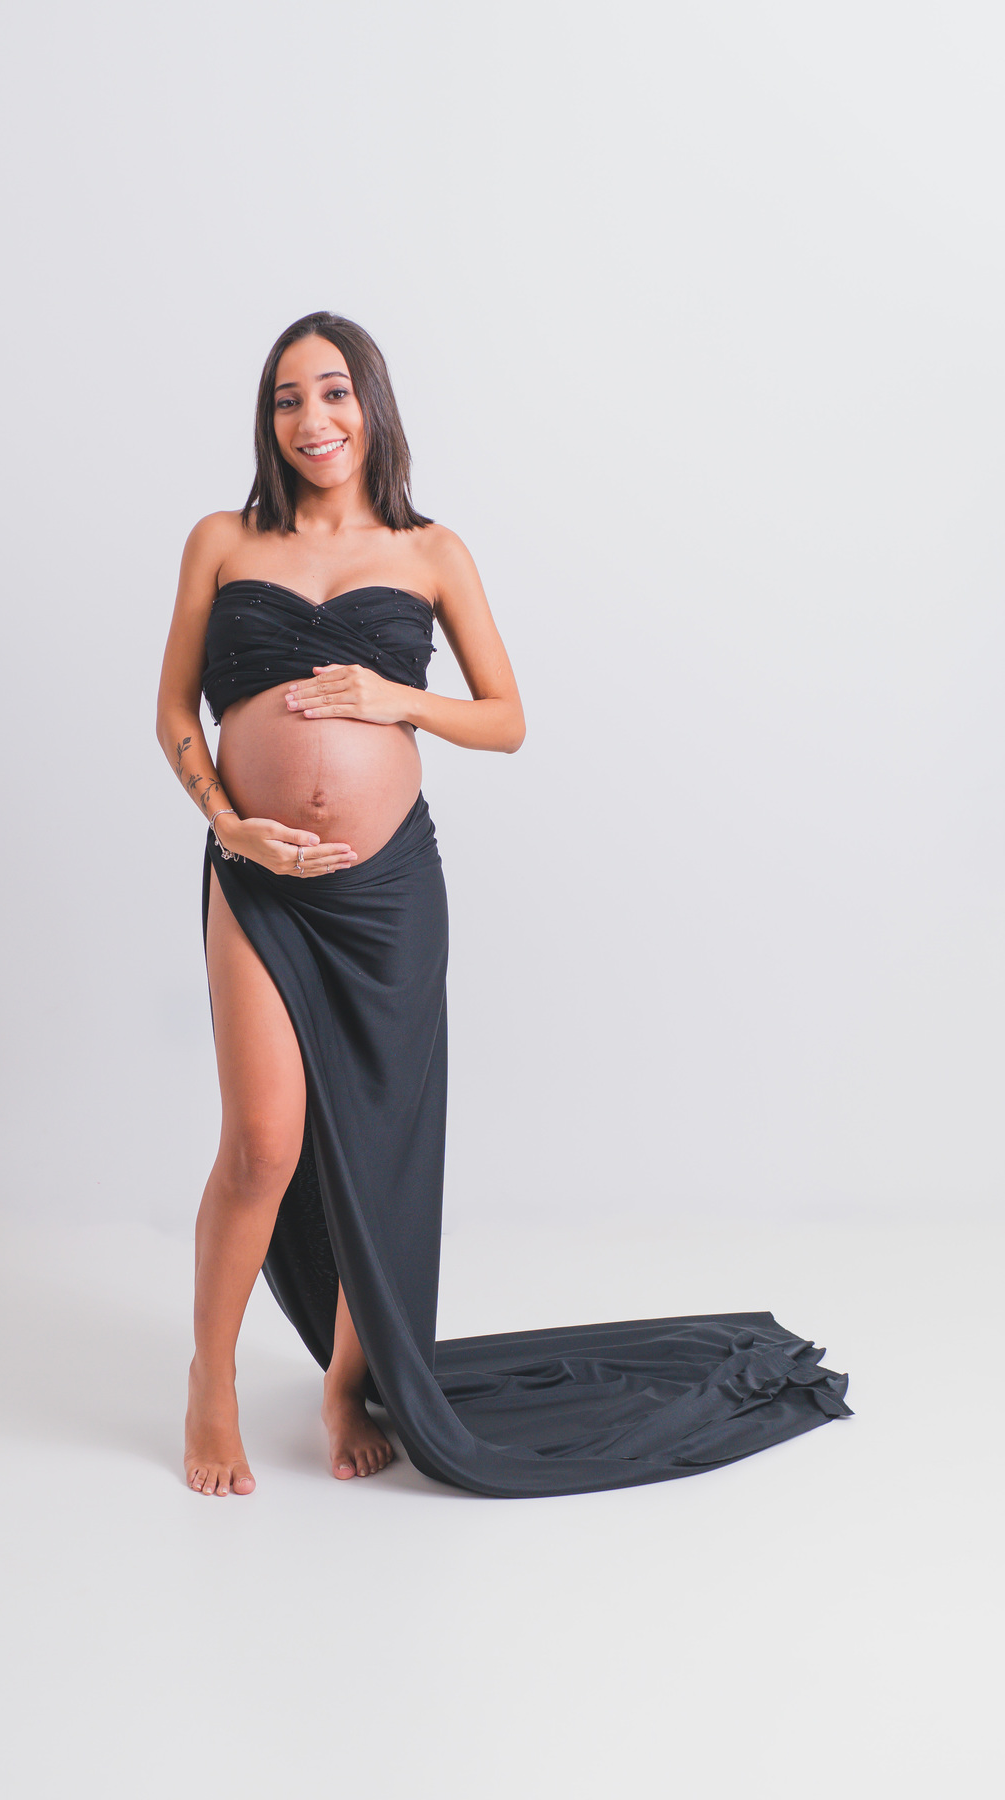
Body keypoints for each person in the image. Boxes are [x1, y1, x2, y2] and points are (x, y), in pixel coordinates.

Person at [156, 311, 850, 1499]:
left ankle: (347, 1384)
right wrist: (228, 821)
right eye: (288, 398)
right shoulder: (222, 540)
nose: (313, 418)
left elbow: (506, 718)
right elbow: (175, 710)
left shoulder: (432, 552)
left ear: (371, 405)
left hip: (387, 891)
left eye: (334, 391)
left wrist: (397, 699)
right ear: (269, 421)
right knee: (263, 1144)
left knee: (378, 1150)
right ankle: (208, 1382)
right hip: (259, 877)